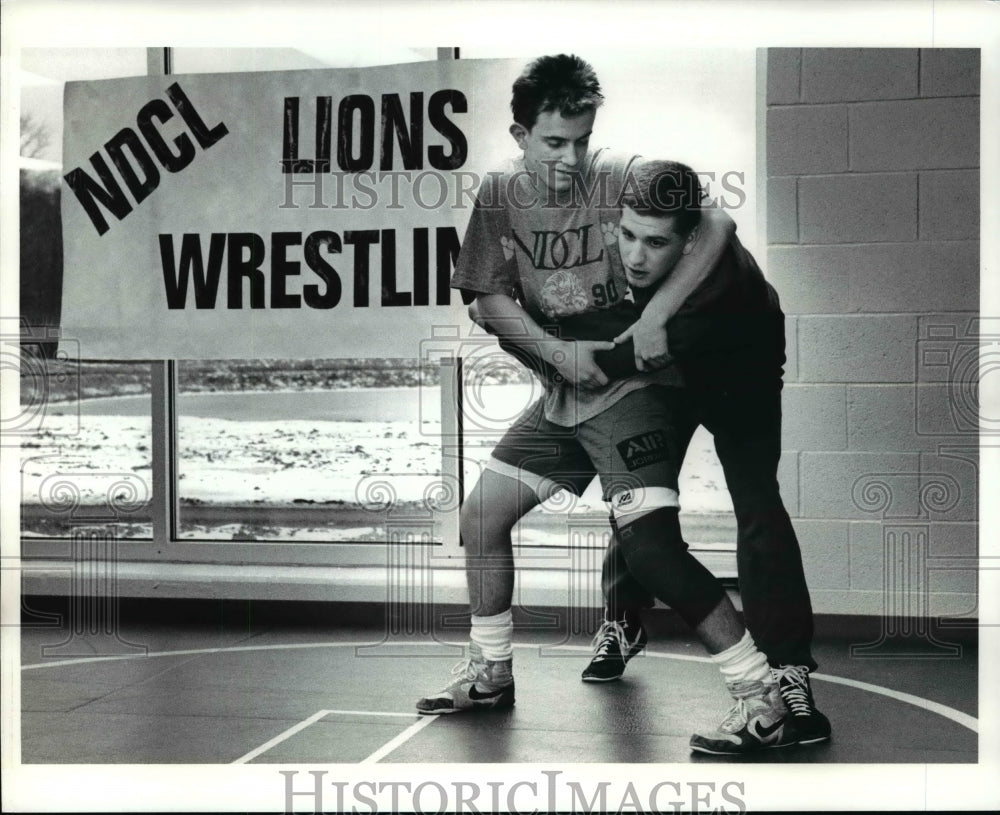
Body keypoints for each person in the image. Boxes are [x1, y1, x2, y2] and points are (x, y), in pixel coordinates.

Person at [415, 55, 797, 754]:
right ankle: (491, 670)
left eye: (580, 140)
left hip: (638, 393)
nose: (569, 158)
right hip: (568, 392)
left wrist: (654, 323)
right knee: (479, 516)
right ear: (520, 134)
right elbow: (485, 297)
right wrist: (558, 356)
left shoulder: (621, 173)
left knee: (650, 549)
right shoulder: (500, 195)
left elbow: (711, 221)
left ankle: (761, 695)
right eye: (553, 142)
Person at [575, 161, 831, 748]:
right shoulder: (624, 223)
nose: (636, 257)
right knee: (640, 495)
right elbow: (713, 218)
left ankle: (788, 667)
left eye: (657, 242)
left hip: (740, 365)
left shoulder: (718, 285)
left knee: (758, 507)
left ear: (688, 242)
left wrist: (538, 336)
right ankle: (623, 619)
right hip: (660, 357)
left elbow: (601, 360)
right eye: (629, 235)